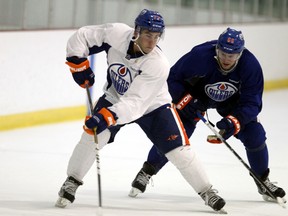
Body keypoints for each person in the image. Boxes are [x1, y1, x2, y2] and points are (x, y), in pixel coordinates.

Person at [55, 9, 226, 212]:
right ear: (136, 31)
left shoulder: (158, 64)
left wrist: (106, 117)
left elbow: (136, 103)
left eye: (156, 36)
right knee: (91, 136)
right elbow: (83, 36)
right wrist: (76, 62)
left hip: (154, 105)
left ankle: (207, 191)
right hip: (114, 97)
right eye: (148, 35)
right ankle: (72, 181)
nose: (152, 42)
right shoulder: (116, 33)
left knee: (179, 150)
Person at [130, 27, 286, 203]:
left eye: (232, 55)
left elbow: (252, 103)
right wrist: (186, 100)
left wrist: (233, 121)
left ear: (240, 54)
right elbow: (172, 78)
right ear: (217, 49)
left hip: (232, 104)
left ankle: (263, 180)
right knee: (174, 136)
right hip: (196, 98)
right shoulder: (200, 55)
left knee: (255, 135)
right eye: (223, 53)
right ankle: (147, 170)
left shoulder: (250, 65)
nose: (227, 59)